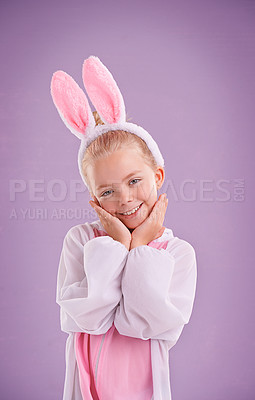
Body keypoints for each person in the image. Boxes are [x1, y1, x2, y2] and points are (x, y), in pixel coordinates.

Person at [51, 56, 197, 400]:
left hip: (143, 383)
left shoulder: (177, 254)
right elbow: (88, 317)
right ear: (93, 197)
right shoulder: (82, 240)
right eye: (108, 191)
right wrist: (117, 245)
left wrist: (140, 249)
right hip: (87, 383)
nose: (125, 199)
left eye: (134, 181)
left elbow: (146, 325)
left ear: (157, 175)